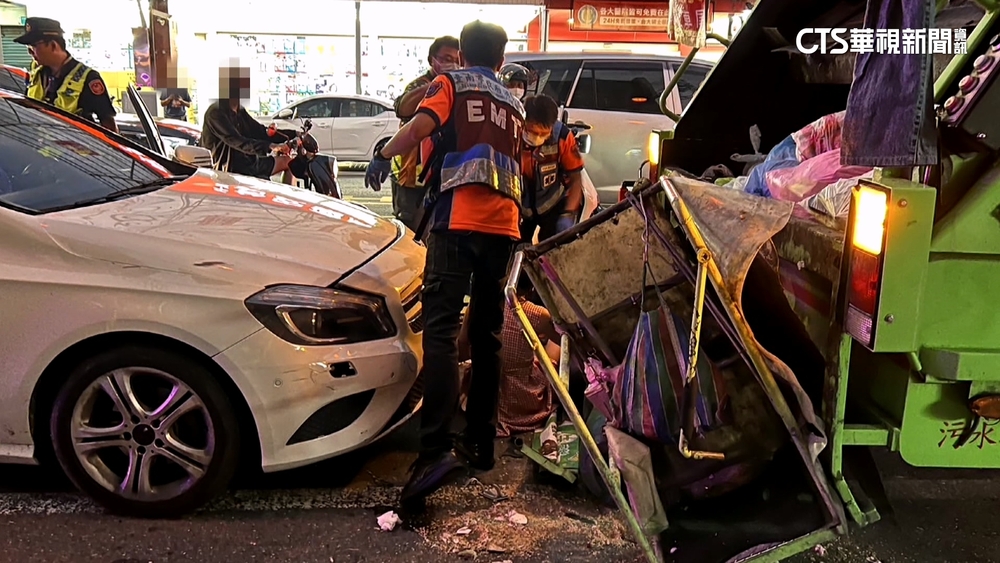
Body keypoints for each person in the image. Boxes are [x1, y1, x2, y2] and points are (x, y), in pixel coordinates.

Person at [364, 20, 526, 507]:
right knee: (487, 334)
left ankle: (433, 448)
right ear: (500, 59)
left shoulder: (451, 83)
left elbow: (420, 126)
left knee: (439, 331)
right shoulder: (513, 103)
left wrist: (382, 152)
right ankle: (481, 444)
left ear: (463, 54)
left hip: (458, 220)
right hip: (505, 227)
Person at [389, 36, 460, 232]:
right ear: (432, 60)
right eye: (446, 58)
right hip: (411, 176)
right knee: (410, 236)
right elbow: (403, 108)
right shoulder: (419, 86)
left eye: (456, 60)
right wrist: (437, 85)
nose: (452, 64)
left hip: (442, 177)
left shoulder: (457, 87)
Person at [15, 17, 118, 133]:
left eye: (33, 46)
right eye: (28, 47)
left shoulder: (88, 78)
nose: (30, 52)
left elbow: (108, 123)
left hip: (74, 148)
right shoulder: (37, 74)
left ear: (53, 45)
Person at [200, 62, 293, 180]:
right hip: (229, 170)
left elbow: (259, 131)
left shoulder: (240, 111)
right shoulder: (215, 113)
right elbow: (235, 140)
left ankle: (288, 196)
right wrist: (271, 146)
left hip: (249, 163)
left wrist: (293, 135)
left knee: (289, 162)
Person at [518, 94, 586, 244]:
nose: (537, 137)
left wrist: (568, 214)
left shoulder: (562, 136)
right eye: (533, 132)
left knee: (552, 254)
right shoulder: (512, 134)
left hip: (553, 205)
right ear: (524, 122)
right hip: (520, 209)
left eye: (544, 133)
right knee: (514, 254)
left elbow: (576, 178)